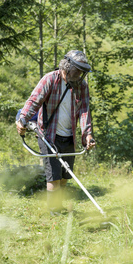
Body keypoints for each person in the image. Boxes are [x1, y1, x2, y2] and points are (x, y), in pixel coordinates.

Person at [16, 50, 95, 215]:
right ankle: (54, 211)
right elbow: (33, 101)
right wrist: (23, 118)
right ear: (67, 68)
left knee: (66, 175)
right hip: (48, 135)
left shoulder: (82, 86)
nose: (80, 75)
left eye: (82, 71)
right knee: (54, 176)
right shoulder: (50, 79)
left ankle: (59, 206)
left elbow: (85, 112)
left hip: (69, 136)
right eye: (77, 71)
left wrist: (87, 135)